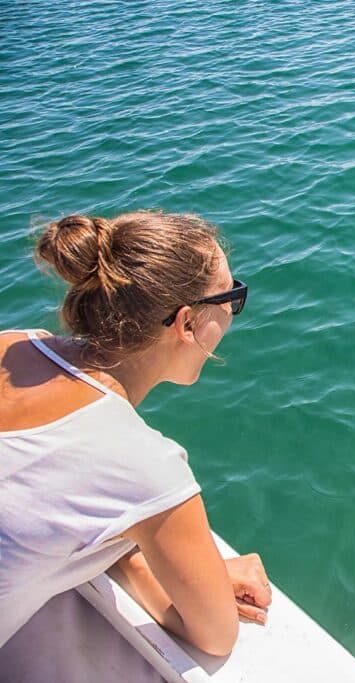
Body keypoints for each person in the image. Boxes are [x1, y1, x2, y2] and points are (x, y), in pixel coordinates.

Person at [0, 211, 270, 657]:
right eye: (231, 297)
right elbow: (216, 636)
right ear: (186, 324)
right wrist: (132, 553)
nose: (231, 312)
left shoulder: (12, 343)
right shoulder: (145, 467)